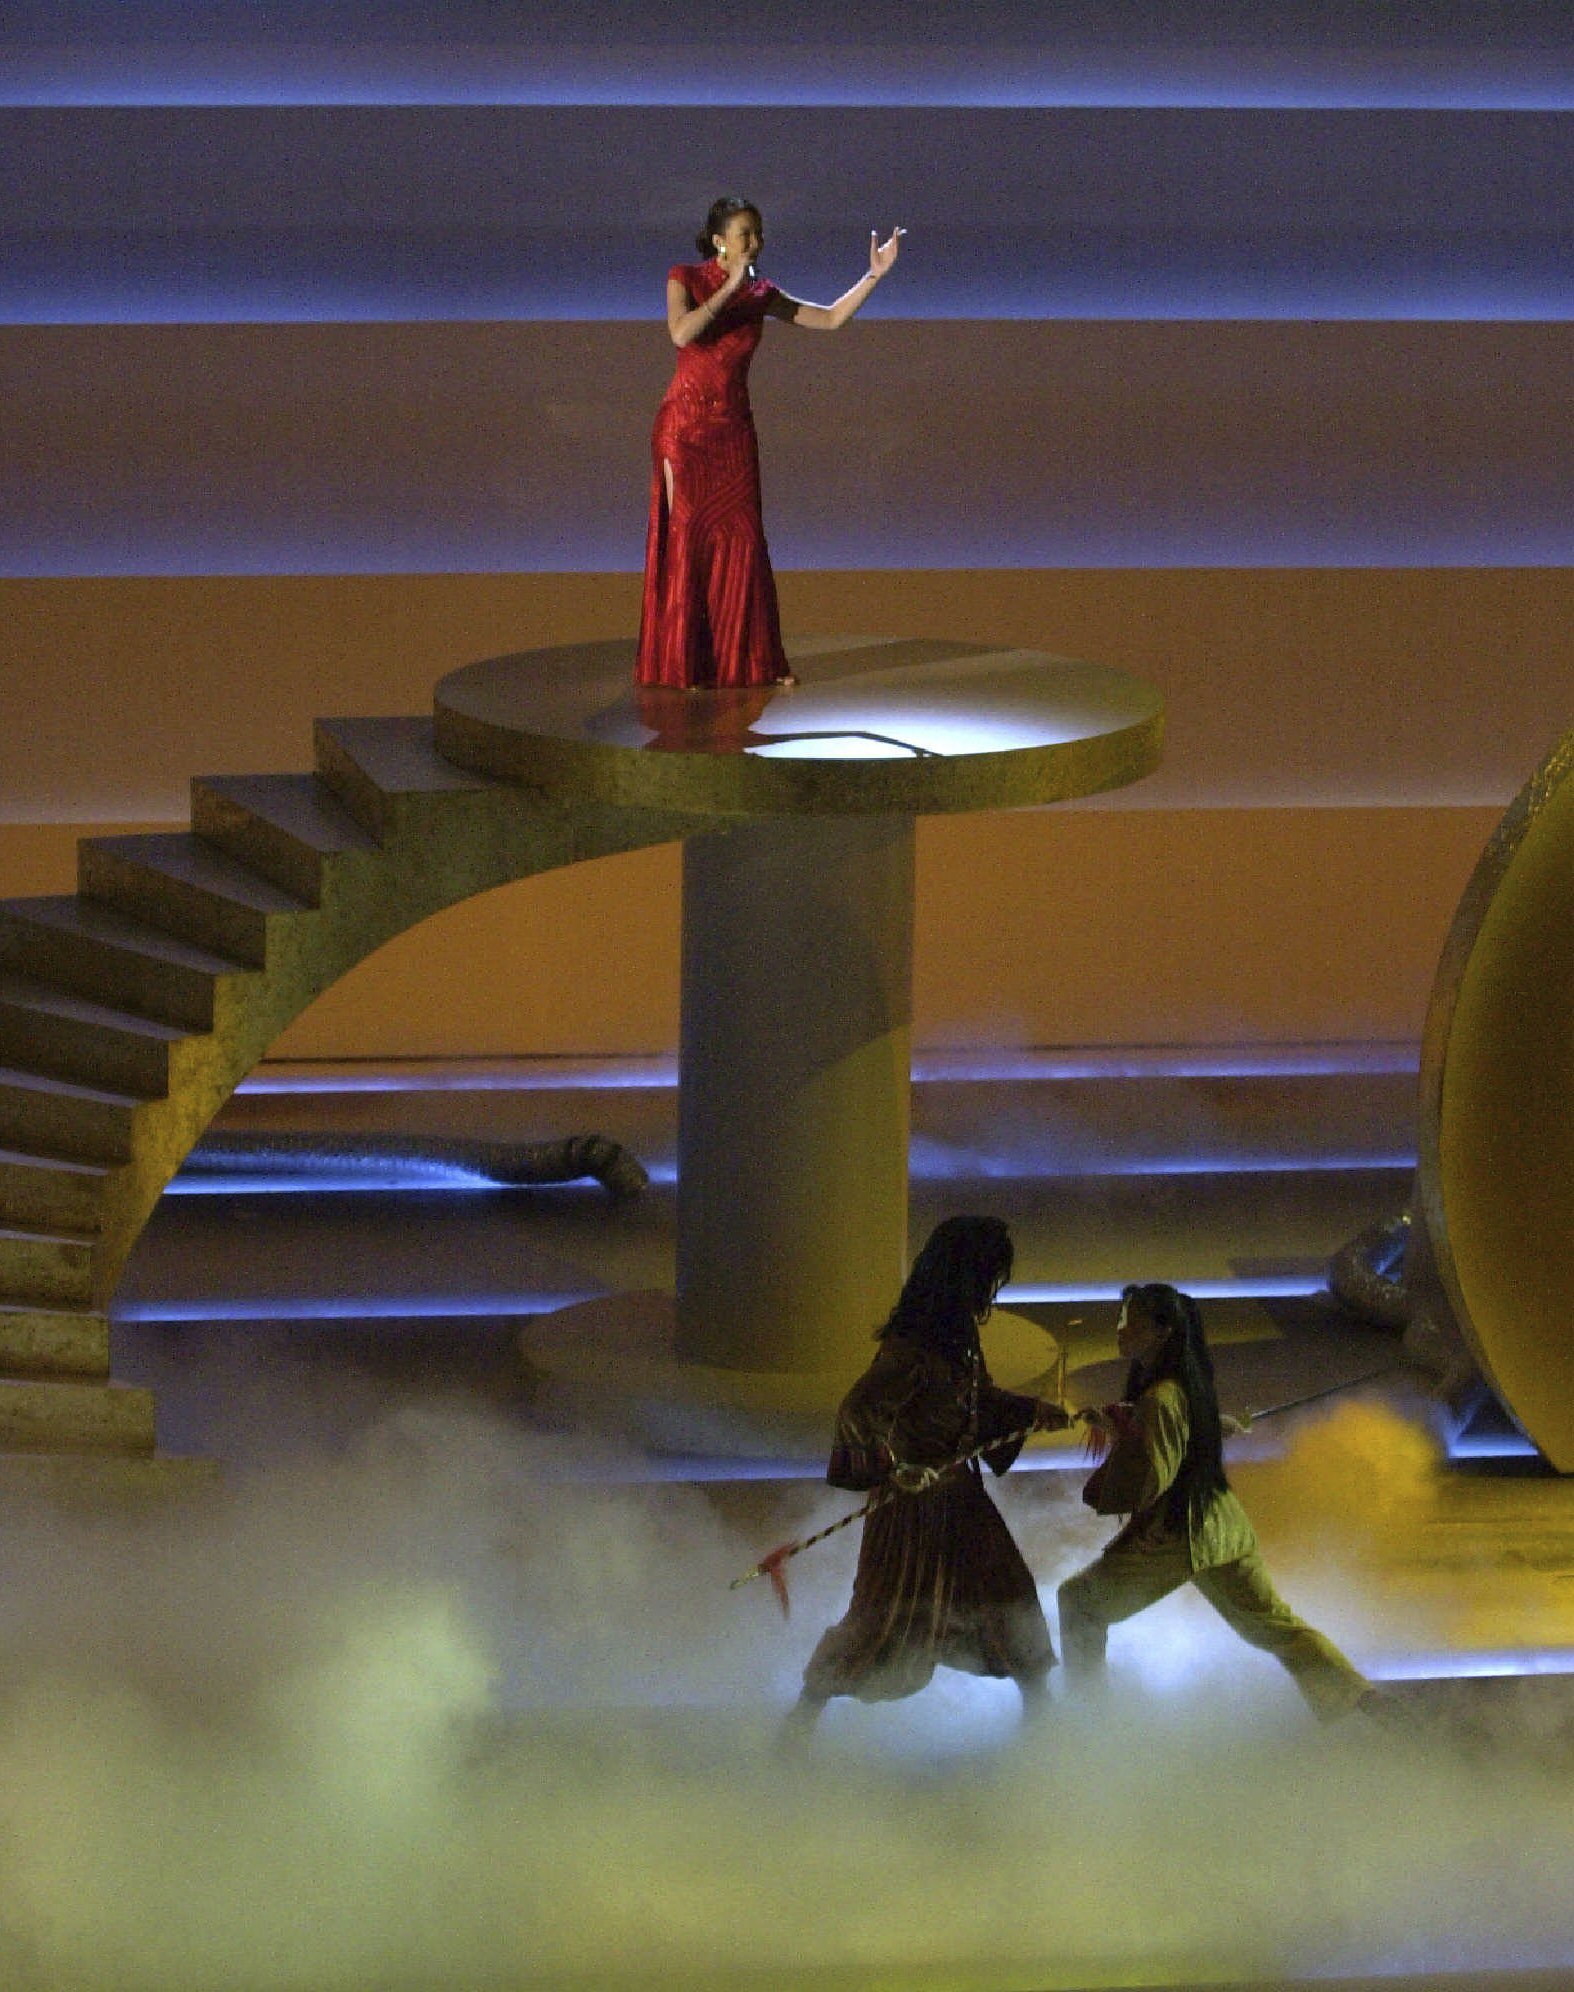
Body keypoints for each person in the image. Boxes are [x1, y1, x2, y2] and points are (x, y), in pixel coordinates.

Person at [785, 1215, 1071, 1735]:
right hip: (910, 1511)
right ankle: (801, 1720)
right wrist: (895, 1469)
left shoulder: (957, 1337)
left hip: (962, 1500)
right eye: (988, 1277)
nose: (992, 1290)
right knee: (880, 1617)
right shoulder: (910, 1346)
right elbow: (857, 1412)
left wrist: (1032, 1411)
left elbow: (977, 1399)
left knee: (1007, 1593)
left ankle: (1041, 1710)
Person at [1057, 1282, 1374, 1722]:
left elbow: (1152, 1477)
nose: (1121, 1329)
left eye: (1132, 1321)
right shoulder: (1185, 1387)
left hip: (1180, 1534)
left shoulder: (1161, 1398)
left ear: (1163, 1331)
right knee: (1274, 1626)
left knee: (1078, 1603)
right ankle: (1366, 1701)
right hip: (1223, 1525)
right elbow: (1176, 1436)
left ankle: (1087, 1721)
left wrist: (1124, 1447)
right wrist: (1122, 1425)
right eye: (1122, 1319)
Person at [636, 196, 904, 692]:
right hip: (685, 431)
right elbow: (681, 334)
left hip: (733, 430)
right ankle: (687, 664)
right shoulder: (684, 277)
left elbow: (829, 319)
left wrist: (874, 276)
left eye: (758, 234)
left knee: (744, 542)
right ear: (719, 240)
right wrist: (729, 288)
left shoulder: (762, 292)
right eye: (745, 234)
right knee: (691, 539)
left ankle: (753, 661)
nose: (755, 243)